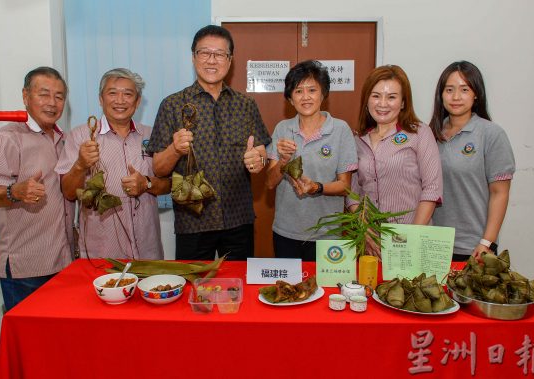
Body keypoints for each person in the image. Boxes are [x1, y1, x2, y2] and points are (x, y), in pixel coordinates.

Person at [148, 25, 271, 261]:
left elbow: (261, 152)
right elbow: (158, 169)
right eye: (204, 52)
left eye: (220, 54)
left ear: (230, 60)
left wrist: (259, 161)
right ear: (193, 57)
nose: (211, 60)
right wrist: (175, 149)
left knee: (238, 290)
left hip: (238, 220)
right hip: (192, 221)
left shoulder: (246, 105)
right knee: (194, 289)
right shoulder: (172, 105)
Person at [56, 68, 170, 259]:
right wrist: (80, 165)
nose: (120, 100)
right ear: (101, 99)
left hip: (148, 251)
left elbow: (170, 184)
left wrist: (147, 184)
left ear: (138, 101)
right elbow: (68, 192)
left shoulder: (152, 135)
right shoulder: (80, 136)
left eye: (128, 94)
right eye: (112, 93)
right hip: (102, 254)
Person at [0, 67, 74, 310]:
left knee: (59, 339)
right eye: (44, 94)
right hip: (26, 266)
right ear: (26, 96)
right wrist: (15, 191)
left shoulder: (64, 140)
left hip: (63, 260)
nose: (52, 103)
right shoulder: (8, 137)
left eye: (59, 96)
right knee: (30, 343)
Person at [265, 60, 358, 261]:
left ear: (323, 94)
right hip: (286, 232)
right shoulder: (282, 128)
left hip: (327, 234)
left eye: (312, 90)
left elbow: (346, 186)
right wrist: (282, 161)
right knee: (289, 290)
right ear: (290, 98)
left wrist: (316, 187)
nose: (305, 97)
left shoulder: (340, 130)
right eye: (298, 91)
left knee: (326, 291)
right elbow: (270, 183)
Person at [347, 65, 442, 257]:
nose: (383, 103)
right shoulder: (357, 140)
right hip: (368, 244)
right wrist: (365, 233)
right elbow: (352, 194)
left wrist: (409, 238)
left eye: (391, 97)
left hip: (411, 240)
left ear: (403, 102)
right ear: (366, 100)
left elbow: (432, 189)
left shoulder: (419, 133)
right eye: (376, 96)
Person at [429, 61, 515, 262]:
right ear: (441, 95)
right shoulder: (430, 134)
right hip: (432, 242)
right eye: (449, 90)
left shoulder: (491, 134)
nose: (456, 97)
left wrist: (487, 242)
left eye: (464, 89)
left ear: (476, 93)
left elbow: (500, 192)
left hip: (473, 246)